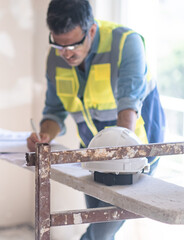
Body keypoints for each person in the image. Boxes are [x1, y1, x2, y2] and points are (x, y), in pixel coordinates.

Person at [26, 0, 166, 239]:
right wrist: (45, 135)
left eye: (74, 44)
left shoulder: (125, 43)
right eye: (59, 44)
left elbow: (128, 107)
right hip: (92, 151)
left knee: (103, 228)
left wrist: (119, 158)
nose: (66, 53)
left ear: (91, 30)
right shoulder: (56, 58)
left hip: (135, 149)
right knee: (99, 225)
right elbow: (53, 111)